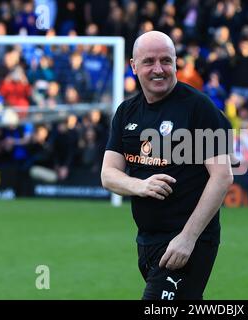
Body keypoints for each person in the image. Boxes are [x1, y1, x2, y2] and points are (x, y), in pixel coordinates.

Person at [101, 31, 233, 300]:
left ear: (176, 63)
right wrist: (140, 185)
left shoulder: (198, 108)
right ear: (133, 66)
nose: (158, 69)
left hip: (188, 241)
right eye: (149, 61)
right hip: (146, 240)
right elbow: (108, 174)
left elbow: (222, 176)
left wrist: (188, 238)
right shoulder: (126, 112)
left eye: (166, 61)